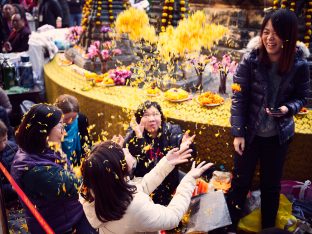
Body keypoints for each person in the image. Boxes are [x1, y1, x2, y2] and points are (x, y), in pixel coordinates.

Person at [227, 9, 310, 232]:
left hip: (278, 136)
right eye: (266, 32)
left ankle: (268, 229)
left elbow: (302, 96)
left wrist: (287, 108)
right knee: (240, 183)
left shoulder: (299, 64)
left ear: (288, 36)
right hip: (250, 134)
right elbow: (238, 95)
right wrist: (238, 133)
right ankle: (229, 226)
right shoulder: (251, 59)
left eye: (276, 33)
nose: (269, 38)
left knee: (271, 187)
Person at [80, 140, 213, 233]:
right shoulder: (135, 208)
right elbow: (172, 217)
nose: (126, 149)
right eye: (122, 152)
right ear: (120, 168)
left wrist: (167, 163)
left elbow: (139, 188)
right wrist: (189, 180)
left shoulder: (94, 189)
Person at [10, 103, 97, 234]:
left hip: (68, 214)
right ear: (43, 132)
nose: (65, 132)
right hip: (63, 226)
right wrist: (103, 159)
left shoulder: (42, 149)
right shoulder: (38, 172)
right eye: (61, 126)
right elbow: (81, 188)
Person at [123, 100, 196, 205]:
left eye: (155, 114)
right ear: (139, 119)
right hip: (144, 188)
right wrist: (139, 137)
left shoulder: (171, 130)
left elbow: (186, 154)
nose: (152, 119)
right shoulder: (134, 132)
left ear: (161, 117)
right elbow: (132, 159)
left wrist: (185, 145)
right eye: (146, 115)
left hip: (168, 185)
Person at [54, 94, 91, 166]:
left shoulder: (81, 119)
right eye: (66, 119)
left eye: (73, 118)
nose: (70, 122)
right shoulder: (53, 125)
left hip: (78, 160)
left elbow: (86, 141)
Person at [0, 120, 18, 205]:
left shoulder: (13, 147)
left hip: (18, 198)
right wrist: (11, 188)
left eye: (4, 139)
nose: (3, 145)